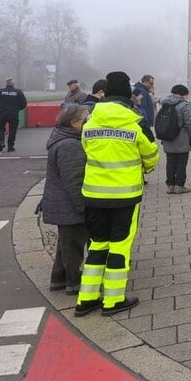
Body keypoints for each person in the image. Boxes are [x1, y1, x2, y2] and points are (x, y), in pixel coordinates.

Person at [75, 71, 158, 317]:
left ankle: (86, 298)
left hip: (93, 195)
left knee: (97, 244)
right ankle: (113, 299)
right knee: (119, 246)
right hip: (125, 195)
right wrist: (147, 166)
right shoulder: (135, 121)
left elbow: (85, 148)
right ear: (127, 96)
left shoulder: (90, 120)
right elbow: (151, 151)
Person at [41, 104, 89, 295]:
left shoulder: (62, 138)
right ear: (74, 122)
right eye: (86, 119)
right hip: (68, 205)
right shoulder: (70, 144)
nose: (89, 122)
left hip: (60, 202)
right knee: (73, 245)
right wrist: (82, 207)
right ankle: (73, 283)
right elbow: (74, 181)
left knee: (65, 243)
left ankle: (58, 278)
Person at [158, 84, 191, 195]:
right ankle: (179, 186)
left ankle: (170, 186)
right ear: (183, 94)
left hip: (167, 139)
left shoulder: (165, 104)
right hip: (181, 140)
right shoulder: (183, 105)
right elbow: (189, 123)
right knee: (181, 163)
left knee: (170, 163)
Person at [0, 78, 27, 153]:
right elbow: (24, 104)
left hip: (2, 113)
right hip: (13, 114)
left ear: (6, 84)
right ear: (13, 84)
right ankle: (10, 147)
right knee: (12, 131)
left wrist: (1, 108)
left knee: (0, 129)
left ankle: (1, 142)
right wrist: (17, 109)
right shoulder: (18, 92)